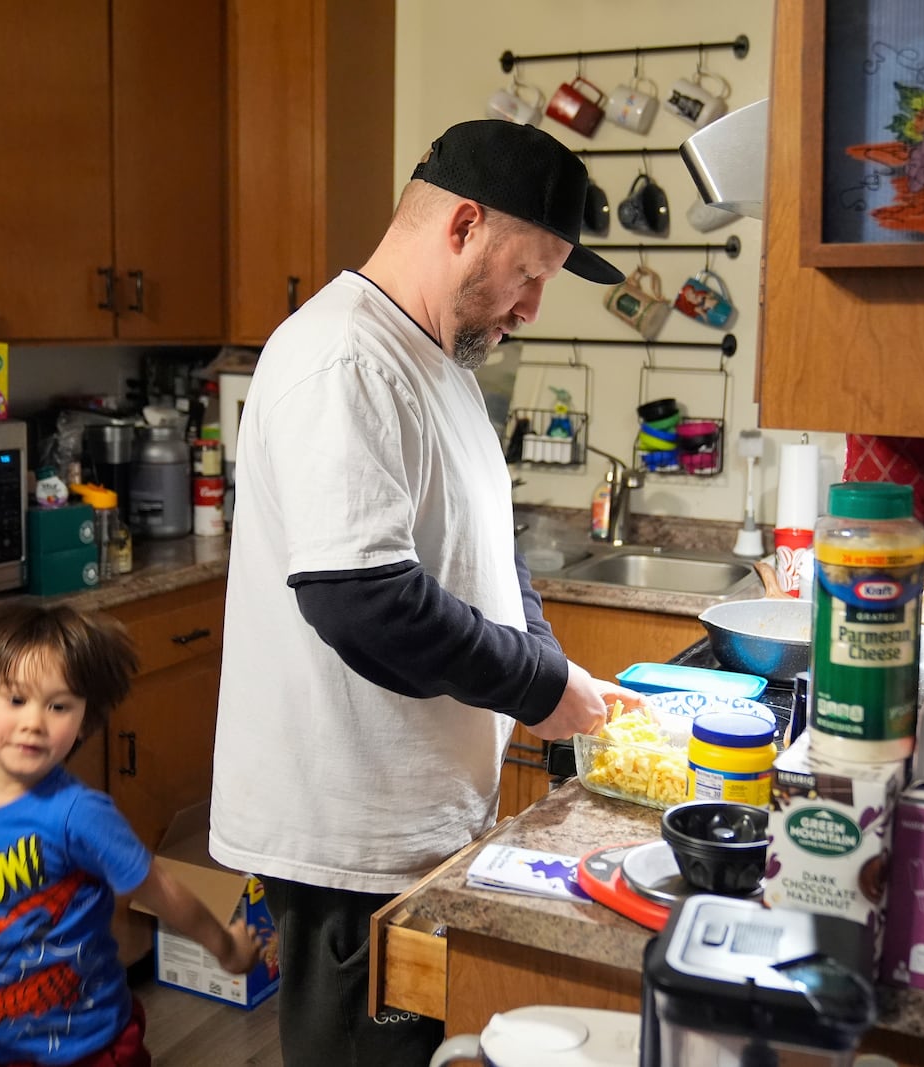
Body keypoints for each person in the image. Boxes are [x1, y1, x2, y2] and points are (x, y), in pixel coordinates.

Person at [209, 118, 640, 1066]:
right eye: (530, 273)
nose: (532, 306)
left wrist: (548, 662)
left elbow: (488, 537)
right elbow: (364, 598)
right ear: (465, 225)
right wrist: (538, 686)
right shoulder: (344, 358)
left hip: (418, 818)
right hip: (350, 832)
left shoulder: (437, 357)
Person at [0, 601, 264, 1067]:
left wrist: (226, 948)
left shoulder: (80, 815)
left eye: (58, 706)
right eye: (16, 699)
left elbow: (163, 891)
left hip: (87, 1046)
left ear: (84, 721)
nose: (34, 721)